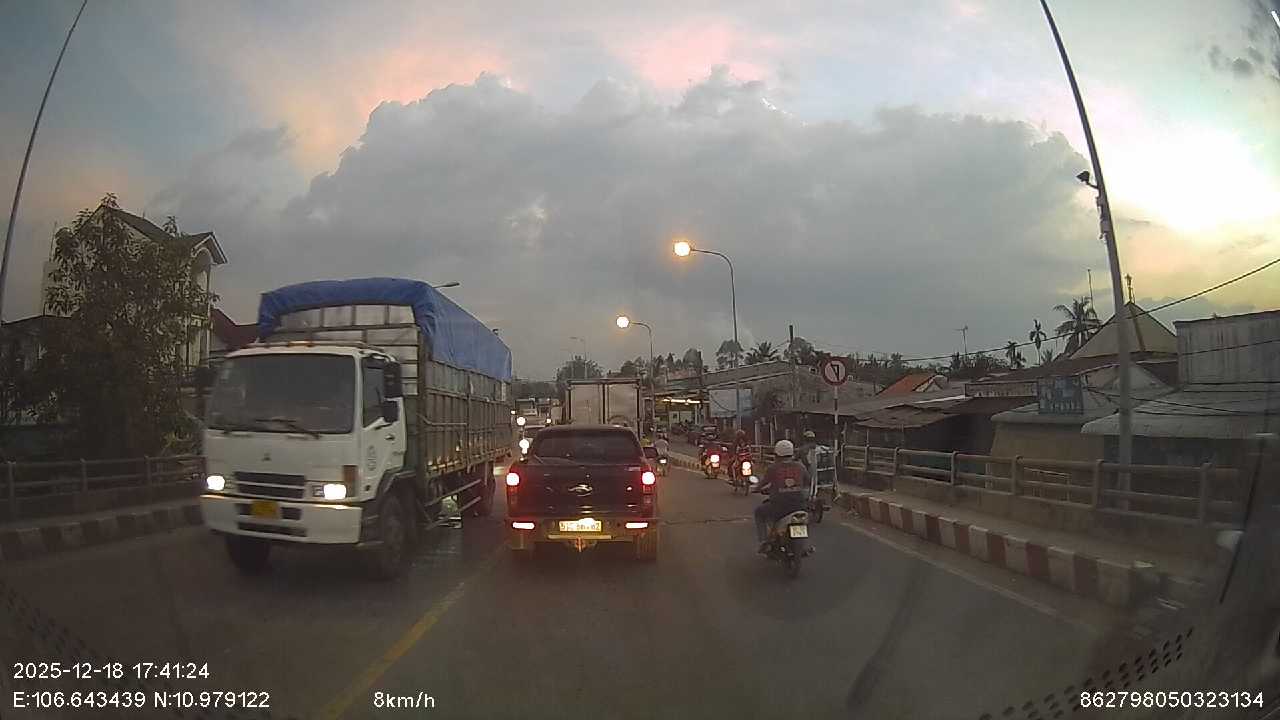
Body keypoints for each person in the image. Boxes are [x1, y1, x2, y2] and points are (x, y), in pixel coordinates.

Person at [753, 440, 810, 553]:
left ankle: (764, 541)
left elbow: (763, 483)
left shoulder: (773, 468)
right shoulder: (800, 467)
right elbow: (807, 481)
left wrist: (756, 489)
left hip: (779, 507)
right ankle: (803, 546)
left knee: (758, 512)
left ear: (777, 454)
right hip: (800, 505)